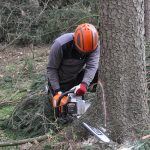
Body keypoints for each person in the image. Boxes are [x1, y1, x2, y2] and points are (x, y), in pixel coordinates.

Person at [47, 23, 100, 100]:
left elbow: (92, 66)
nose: (84, 54)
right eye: (82, 51)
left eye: (87, 52)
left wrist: (84, 84)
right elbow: (52, 69)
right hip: (60, 82)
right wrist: (57, 90)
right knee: (63, 106)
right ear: (75, 41)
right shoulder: (60, 45)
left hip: (75, 77)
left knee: (99, 72)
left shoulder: (95, 46)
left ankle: (92, 91)